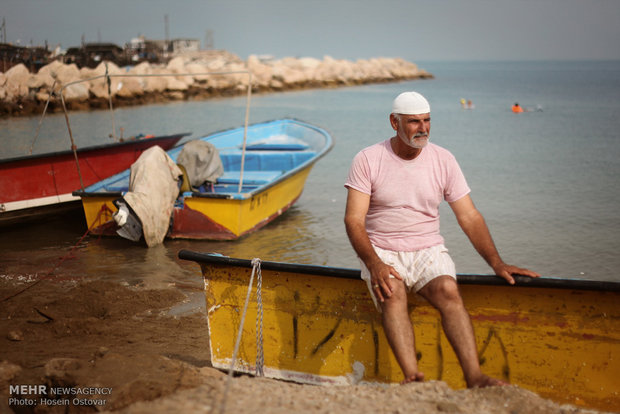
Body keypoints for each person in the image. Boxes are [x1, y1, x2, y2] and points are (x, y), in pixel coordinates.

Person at [344, 91, 540, 388]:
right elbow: (353, 220)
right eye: (413, 122)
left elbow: (469, 217)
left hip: (427, 248)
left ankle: (474, 377)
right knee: (393, 293)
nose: (422, 128)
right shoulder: (368, 159)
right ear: (394, 122)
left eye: (427, 120)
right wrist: (374, 264)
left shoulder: (443, 159)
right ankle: (413, 377)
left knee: (449, 290)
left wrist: (496, 263)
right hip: (382, 249)